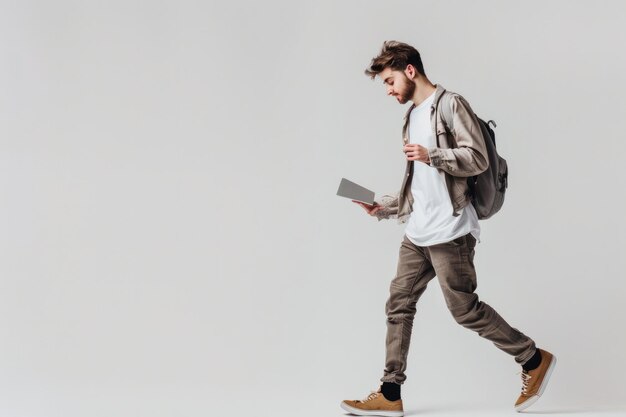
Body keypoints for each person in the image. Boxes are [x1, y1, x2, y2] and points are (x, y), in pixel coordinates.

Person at [340, 41, 556, 416]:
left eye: (390, 81)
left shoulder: (451, 104)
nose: (389, 90)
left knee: (464, 310)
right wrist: (383, 206)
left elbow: (477, 157)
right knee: (398, 304)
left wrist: (432, 154)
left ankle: (533, 359)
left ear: (410, 70)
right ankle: (390, 392)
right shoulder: (410, 118)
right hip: (418, 232)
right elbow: (418, 185)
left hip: (450, 231)